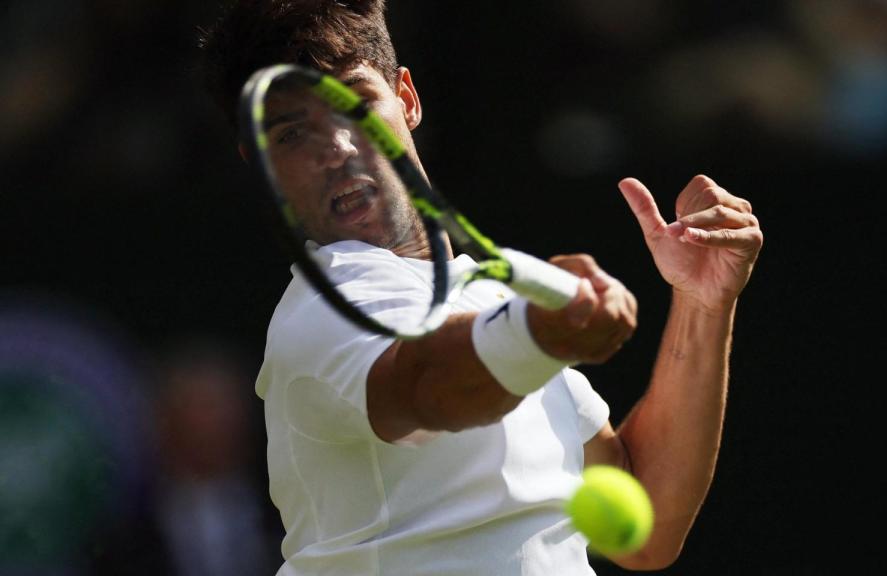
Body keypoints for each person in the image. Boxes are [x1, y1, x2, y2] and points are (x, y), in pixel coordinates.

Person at [200, 1, 763, 574]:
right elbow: (429, 389)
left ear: (407, 98)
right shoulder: (322, 308)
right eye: (294, 133)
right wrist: (535, 335)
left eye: (356, 102)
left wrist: (703, 302)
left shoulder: (496, 304)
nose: (338, 150)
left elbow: (648, 530)